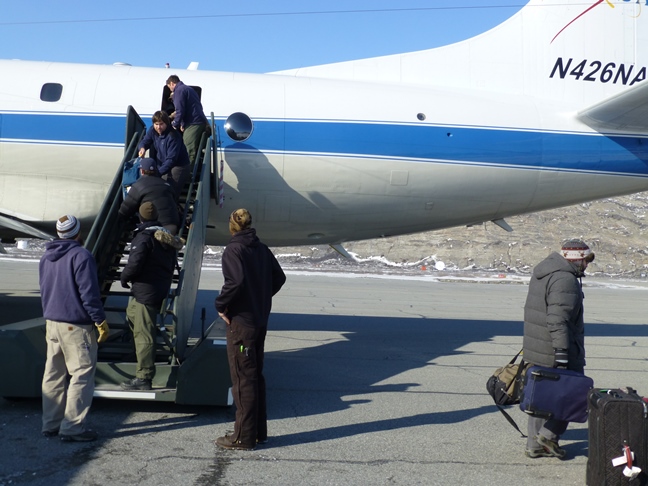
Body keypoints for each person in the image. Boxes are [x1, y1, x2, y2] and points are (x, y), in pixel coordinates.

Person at [214, 209, 286, 451]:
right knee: (255, 375)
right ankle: (257, 432)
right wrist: (261, 297)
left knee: (243, 378)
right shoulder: (262, 249)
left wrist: (221, 305)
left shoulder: (234, 249)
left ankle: (242, 438)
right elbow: (280, 278)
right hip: (259, 322)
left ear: (233, 225)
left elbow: (235, 282)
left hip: (242, 327)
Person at [522, 238, 595, 459]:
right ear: (577, 260)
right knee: (573, 393)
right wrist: (562, 353)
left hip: (540, 345)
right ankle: (548, 434)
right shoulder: (565, 279)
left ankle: (534, 445)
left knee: (541, 397)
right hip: (557, 347)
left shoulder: (546, 271)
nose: (587, 265)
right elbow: (557, 319)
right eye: (586, 260)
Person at [40, 215, 109, 442]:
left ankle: (50, 424)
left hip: (52, 323)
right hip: (75, 325)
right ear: (78, 233)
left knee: (53, 373)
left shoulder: (46, 257)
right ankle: (72, 427)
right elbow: (88, 294)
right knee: (80, 375)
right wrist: (99, 321)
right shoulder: (81, 256)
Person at [120, 202, 179, 391]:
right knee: (131, 316)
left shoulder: (144, 237)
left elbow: (135, 262)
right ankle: (140, 356)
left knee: (144, 333)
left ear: (141, 217)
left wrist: (124, 277)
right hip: (156, 287)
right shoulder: (165, 237)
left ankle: (144, 377)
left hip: (146, 291)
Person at [119, 157, 181, 235]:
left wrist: (119, 219)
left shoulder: (139, 185)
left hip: (155, 228)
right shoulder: (166, 185)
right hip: (172, 226)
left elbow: (126, 208)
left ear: (141, 171)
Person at [138, 111, 190, 200]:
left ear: (167, 123)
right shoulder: (152, 131)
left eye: (161, 124)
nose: (158, 127)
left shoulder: (173, 136)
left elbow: (171, 159)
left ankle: (173, 209)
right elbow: (145, 141)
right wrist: (142, 148)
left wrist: (157, 173)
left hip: (179, 166)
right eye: (156, 124)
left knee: (169, 191)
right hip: (162, 163)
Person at [166, 74, 210, 164]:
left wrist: (175, 124)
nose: (170, 89)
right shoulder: (188, 89)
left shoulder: (179, 91)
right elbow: (188, 108)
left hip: (193, 123)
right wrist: (182, 124)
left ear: (171, 83)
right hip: (197, 121)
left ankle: (187, 174)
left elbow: (180, 110)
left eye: (169, 87)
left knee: (188, 150)